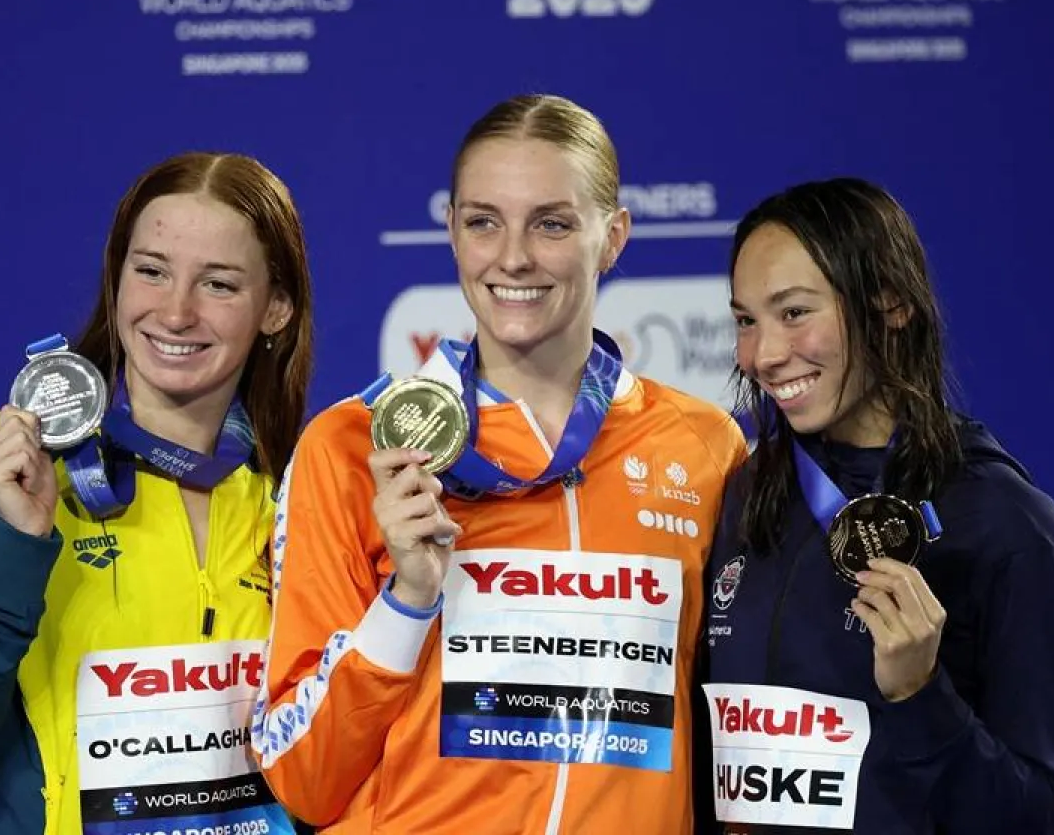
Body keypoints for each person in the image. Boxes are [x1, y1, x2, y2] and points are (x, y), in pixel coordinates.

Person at [251, 94, 748, 833]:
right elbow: (304, 779)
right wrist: (407, 600)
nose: (513, 257)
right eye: (484, 222)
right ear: (451, 231)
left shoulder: (705, 448)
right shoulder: (356, 446)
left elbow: (730, 734)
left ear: (612, 238)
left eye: (552, 224)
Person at [0, 152, 314, 835]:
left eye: (218, 284)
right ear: (117, 276)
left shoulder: (302, 488)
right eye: (151, 270)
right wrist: (19, 546)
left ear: (275, 307)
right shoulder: (3, 461)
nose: (177, 311)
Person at [700, 176, 1054, 833]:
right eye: (746, 320)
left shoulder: (1005, 525)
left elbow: (1047, 820)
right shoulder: (747, 491)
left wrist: (919, 694)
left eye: (794, 312)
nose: (763, 355)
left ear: (889, 304)